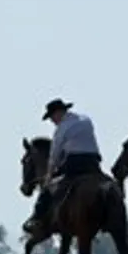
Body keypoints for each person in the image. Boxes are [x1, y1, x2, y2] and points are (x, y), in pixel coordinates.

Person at [22, 98, 104, 234]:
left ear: (58, 113)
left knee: (48, 189)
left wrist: (49, 175)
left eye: (51, 117)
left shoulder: (61, 129)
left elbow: (54, 154)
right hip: (93, 161)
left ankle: (37, 219)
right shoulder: (86, 120)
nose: (52, 121)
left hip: (74, 162)